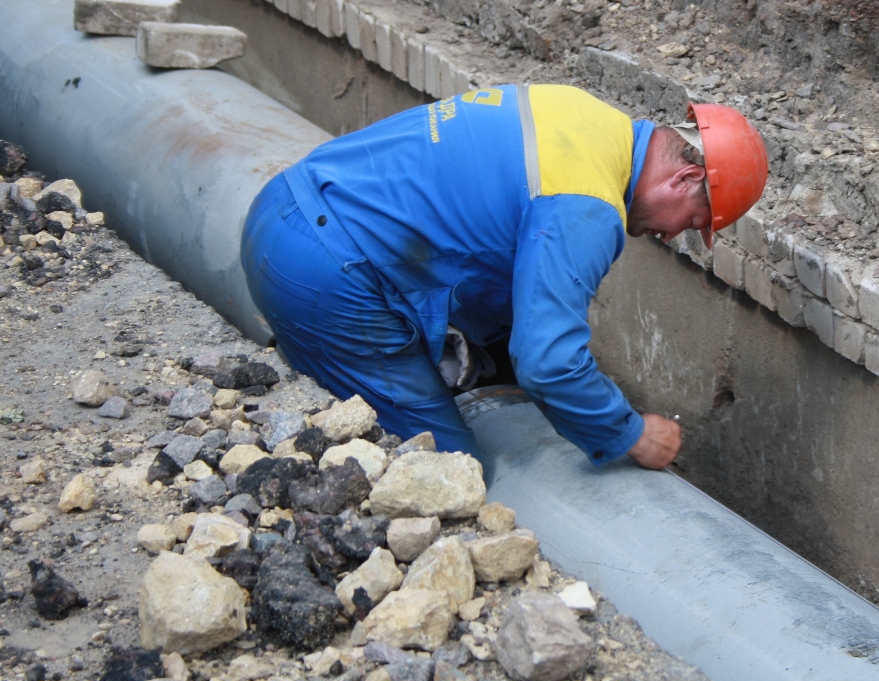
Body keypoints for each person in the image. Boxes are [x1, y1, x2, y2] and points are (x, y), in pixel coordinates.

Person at [240, 84, 767, 469]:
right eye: (693, 222)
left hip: (286, 209)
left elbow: (478, 237)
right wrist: (630, 433)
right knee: (453, 474)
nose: (673, 236)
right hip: (328, 272)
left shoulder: (583, 116)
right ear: (686, 177)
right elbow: (547, 362)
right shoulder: (586, 205)